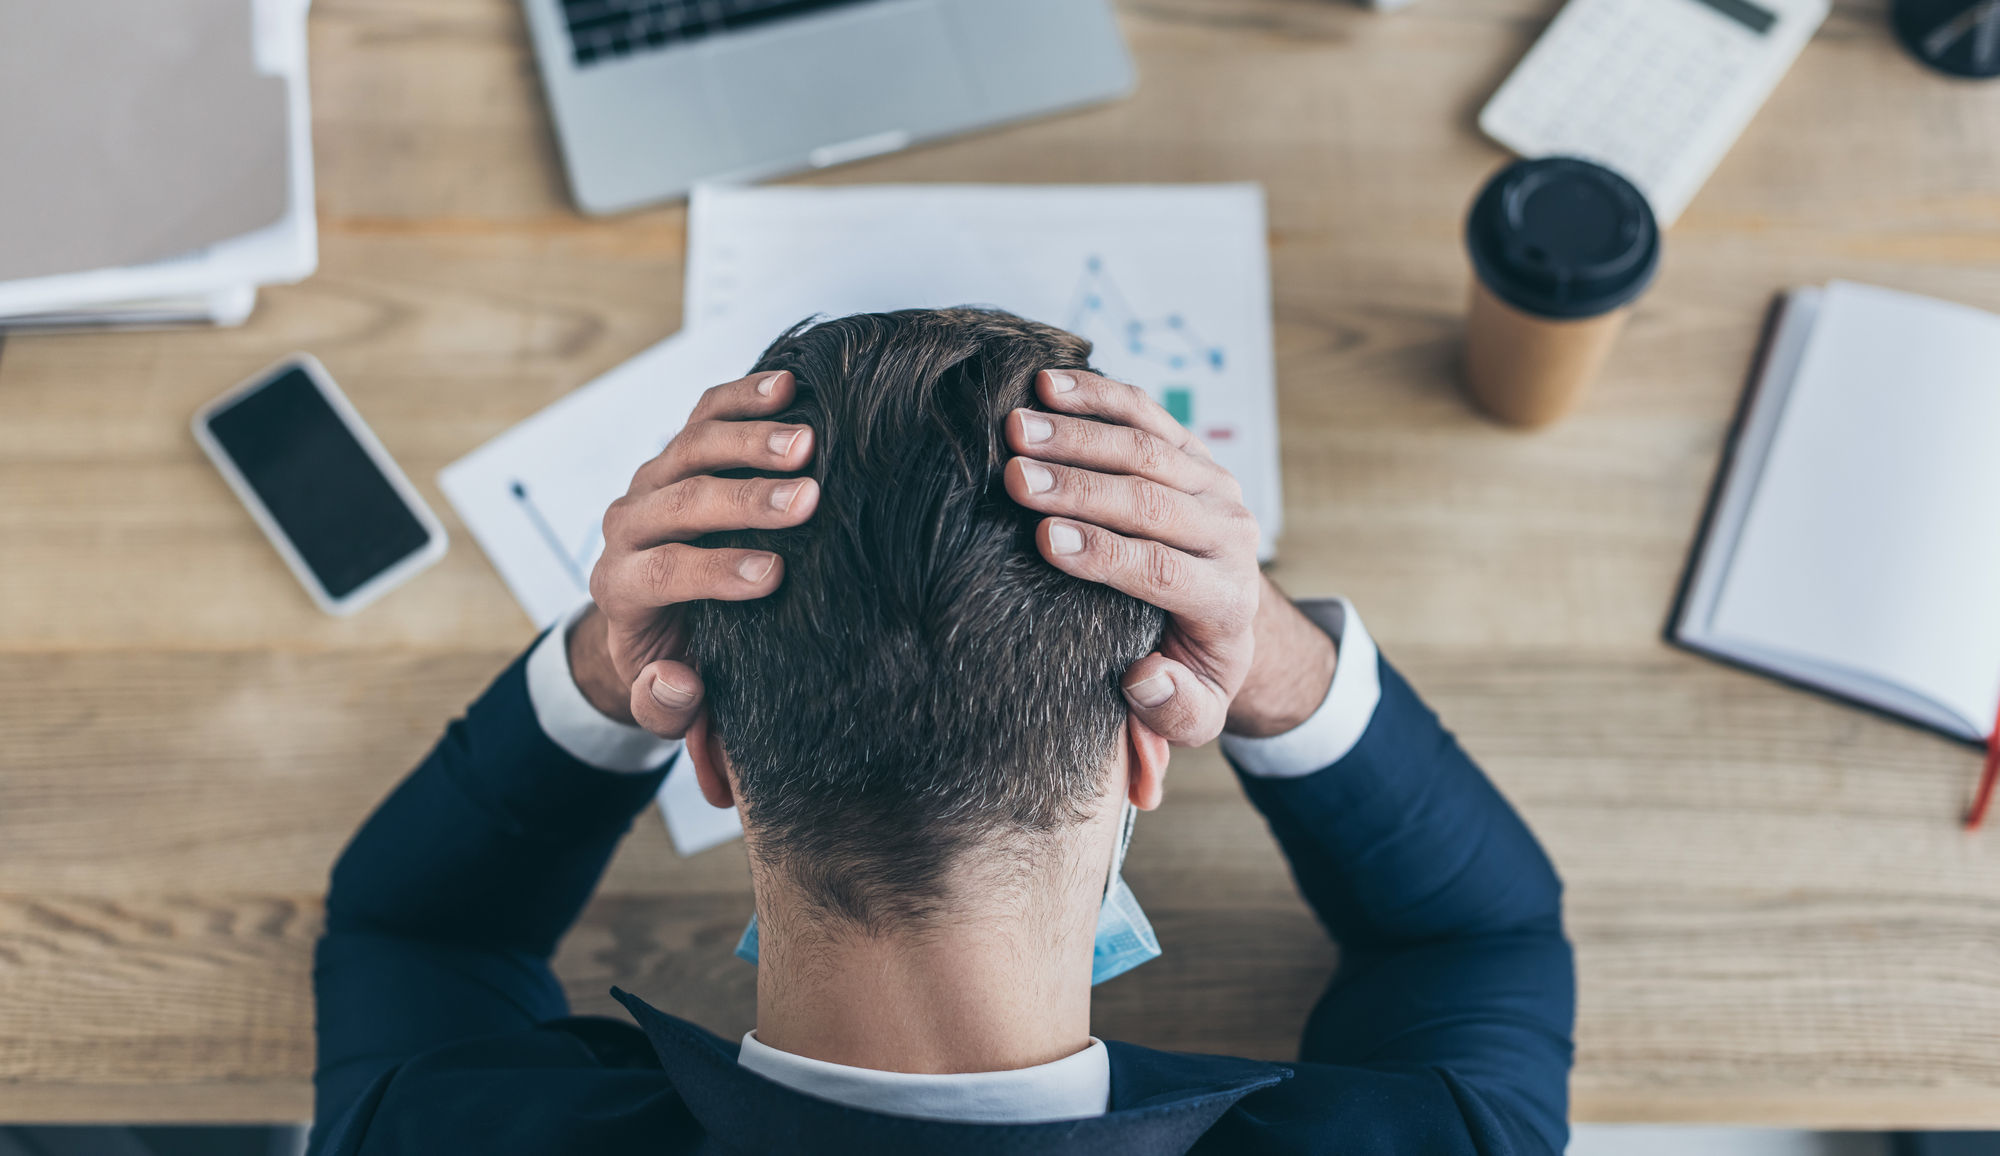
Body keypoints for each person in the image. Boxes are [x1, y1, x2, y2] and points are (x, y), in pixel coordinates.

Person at [309, 308, 1574, 1155]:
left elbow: (410, 928)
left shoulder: (435, 1130)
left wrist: (608, 655)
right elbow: (1480, 935)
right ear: (1148, 751)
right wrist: (1267, 644)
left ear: (706, 760)